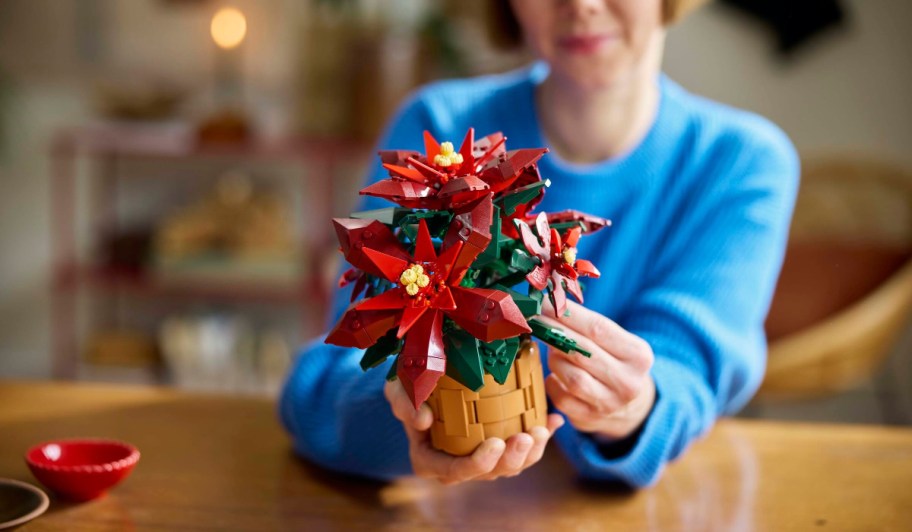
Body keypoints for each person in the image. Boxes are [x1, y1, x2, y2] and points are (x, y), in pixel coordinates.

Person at [279, 0, 798, 487]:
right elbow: (323, 390)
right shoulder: (437, 136)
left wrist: (637, 411)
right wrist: (410, 411)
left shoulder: (741, 164)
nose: (581, 4)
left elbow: (685, 372)